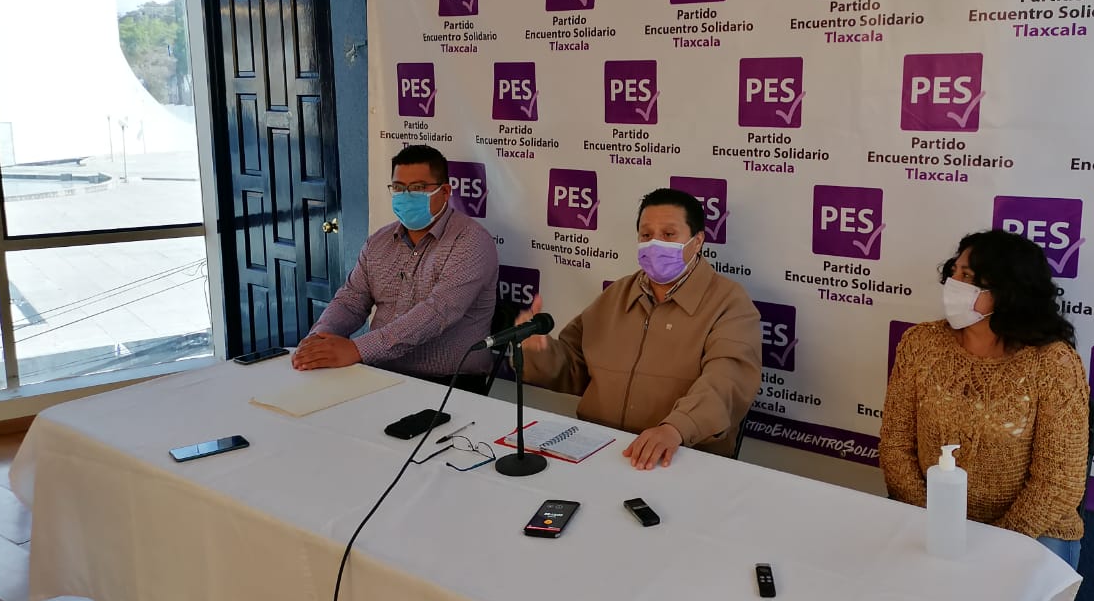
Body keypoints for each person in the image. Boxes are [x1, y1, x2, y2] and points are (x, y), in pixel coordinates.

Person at [879, 229, 1089, 569]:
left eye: (968, 277)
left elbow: (1059, 481)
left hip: (1033, 531)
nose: (953, 284)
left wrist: (992, 546)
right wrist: (936, 520)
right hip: (929, 517)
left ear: (1008, 292)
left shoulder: (1053, 363)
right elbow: (895, 446)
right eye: (954, 272)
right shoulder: (920, 344)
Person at [517, 188, 761, 470]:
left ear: (697, 242)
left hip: (678, 458)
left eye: (668, 234)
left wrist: (676, 428)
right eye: (646, 235)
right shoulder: (617, 295)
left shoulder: (729, 303)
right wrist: (539, 350)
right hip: (599, 450)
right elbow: (574, 367)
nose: (655, 244)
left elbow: (727, 382)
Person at [291, 145, 499, 391]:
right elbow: (351, 300)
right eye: (399, 188)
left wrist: (358, 349)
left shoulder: (471, 241)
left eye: (418, 188)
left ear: (445, 192)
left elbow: (437, 313)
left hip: (448, 384)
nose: (406, 196)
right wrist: (319, 340)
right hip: (378, 372)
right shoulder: (379, 241)